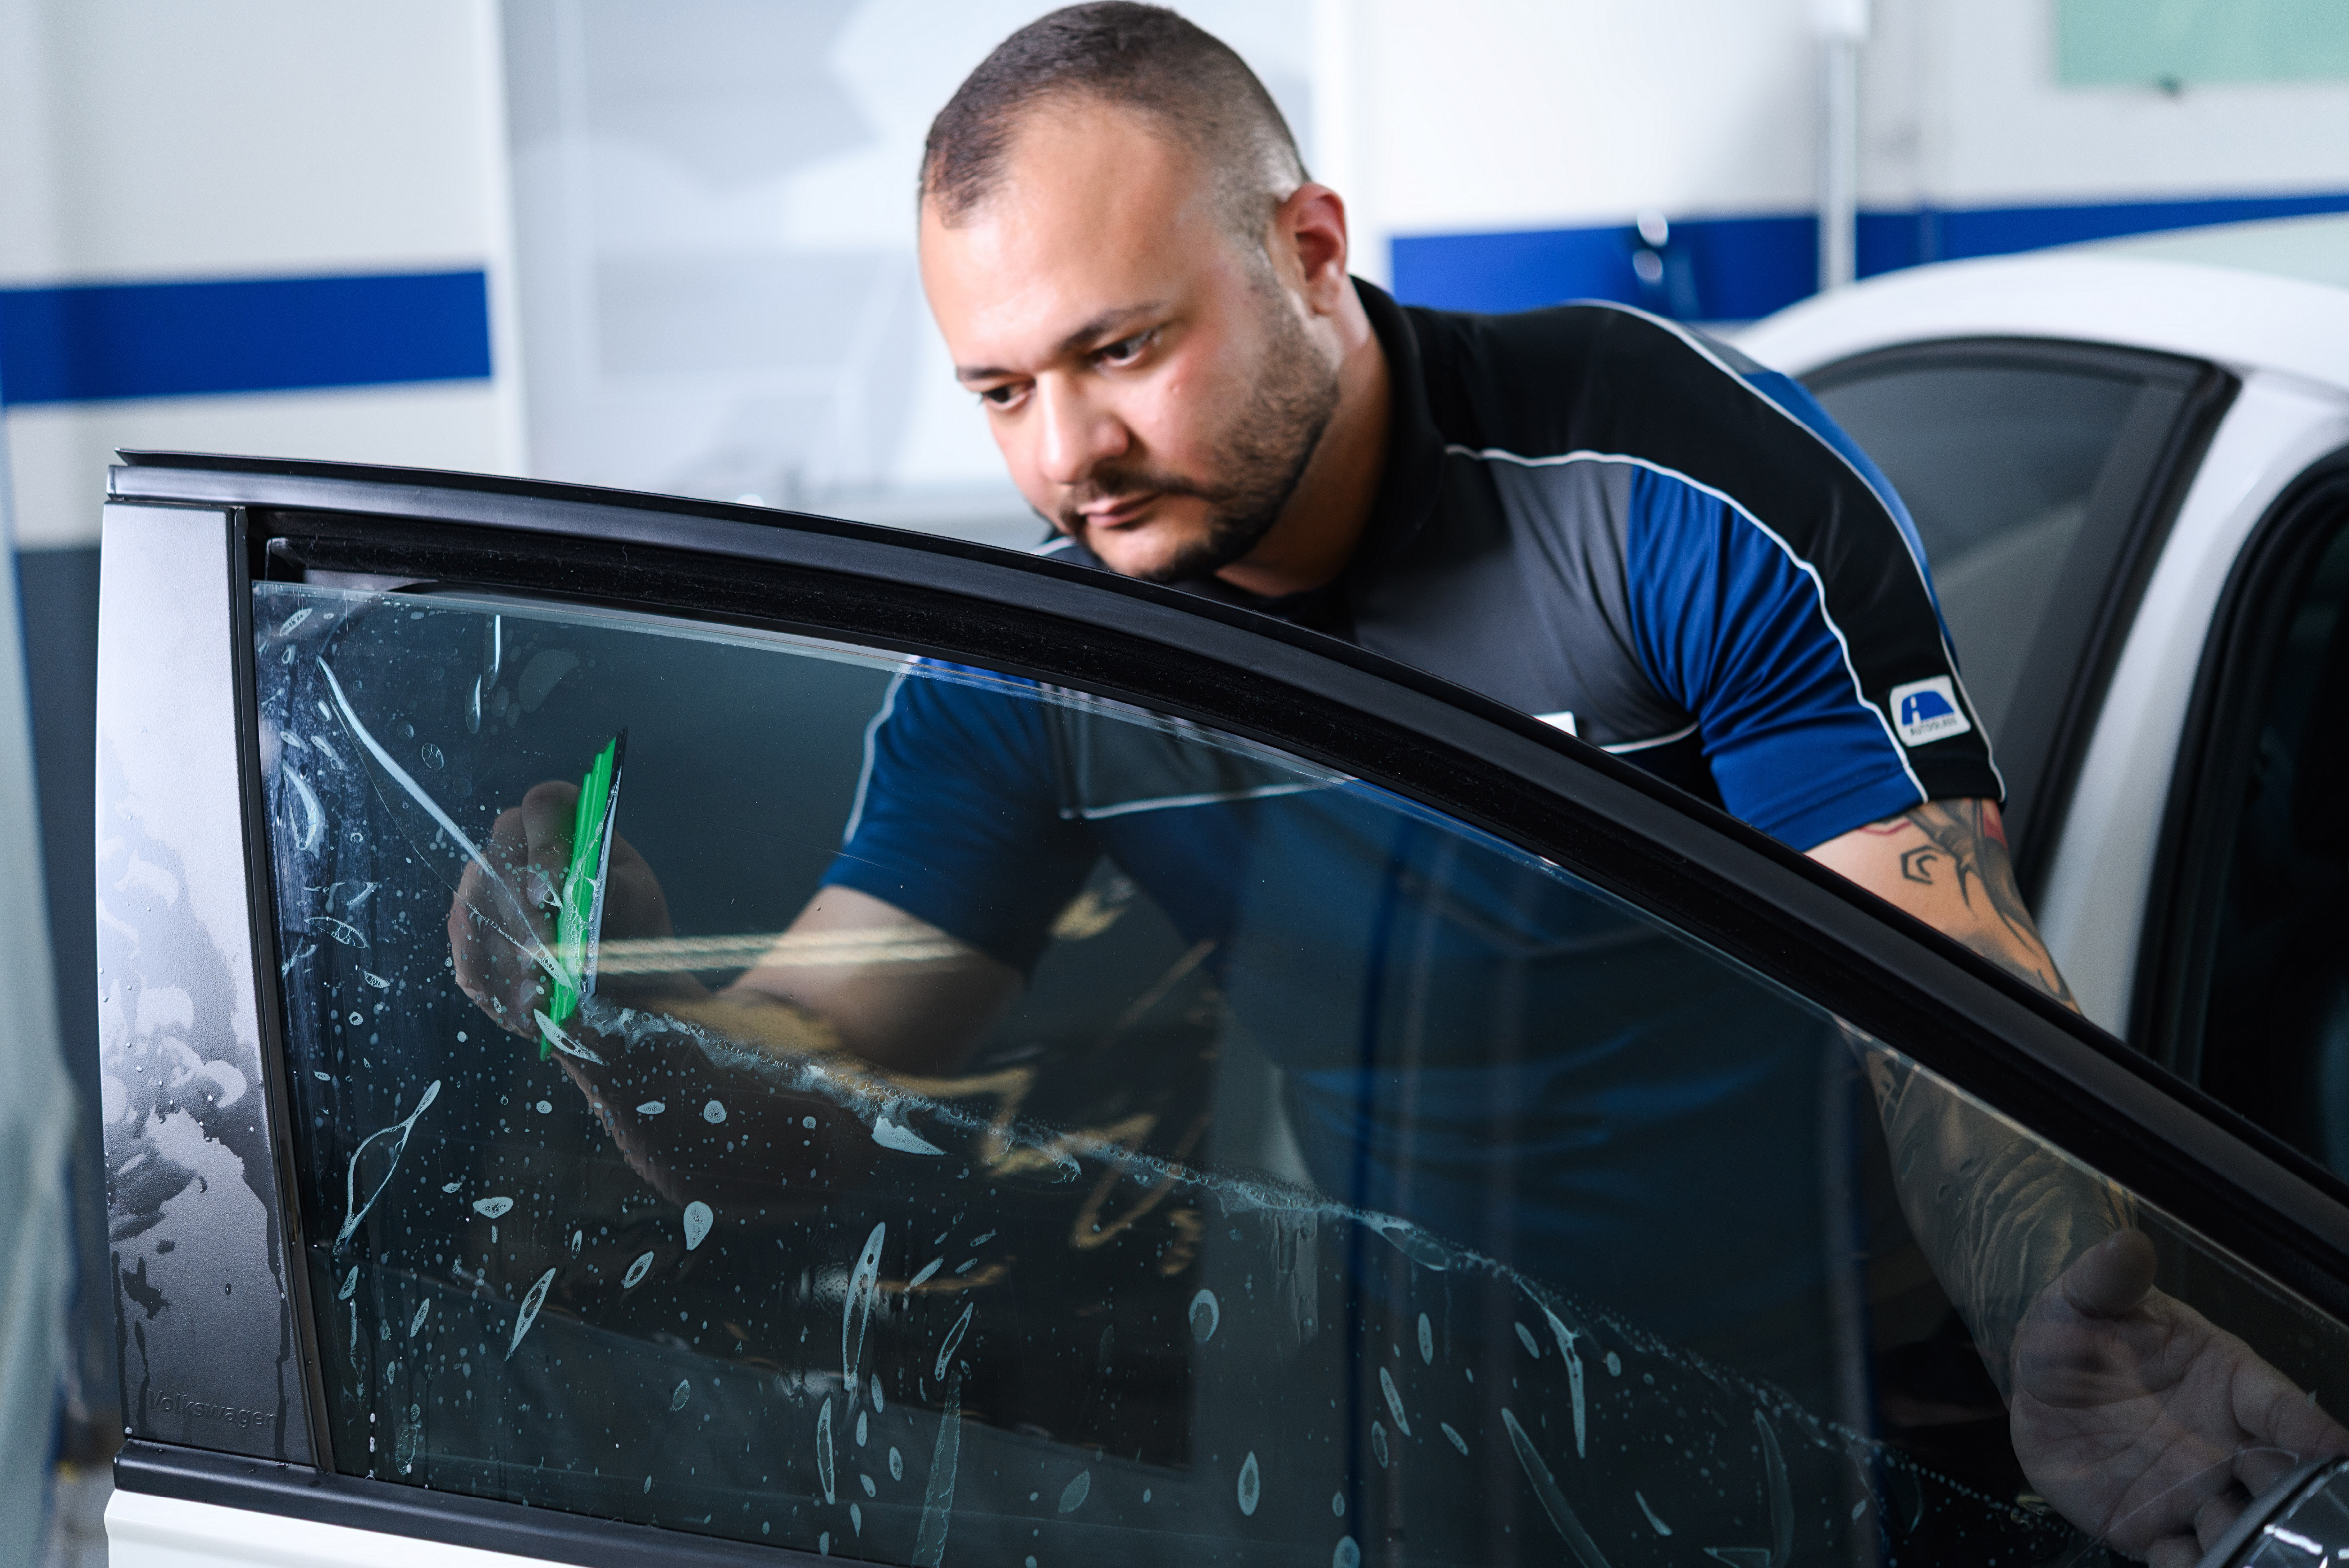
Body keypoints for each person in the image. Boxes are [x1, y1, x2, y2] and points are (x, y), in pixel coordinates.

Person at [451, 8, 2343, 1562]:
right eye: (1003, 392)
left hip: (1869, 1428)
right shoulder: (1037, 670)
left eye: (1122, 349)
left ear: (1308, 249)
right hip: (1438, 1434)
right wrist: (611, 1028)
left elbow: (1940, 997)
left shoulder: (1661, 492)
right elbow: (813, 1073)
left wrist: (2060, 1323)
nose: (1069, 457)